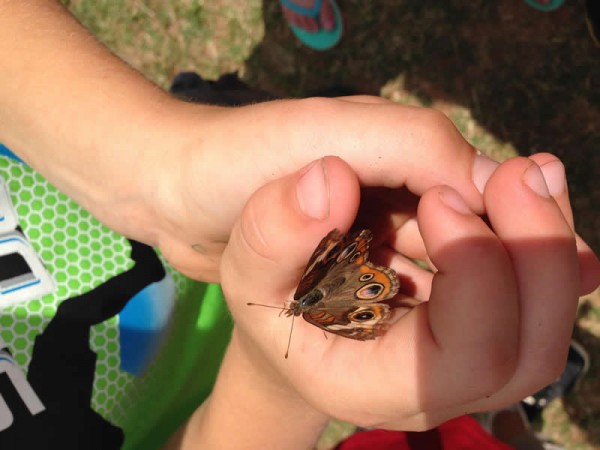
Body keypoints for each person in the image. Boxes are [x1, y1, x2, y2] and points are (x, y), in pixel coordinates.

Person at [1, 2, 599, 450]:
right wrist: (274, 384)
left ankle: (233, 104)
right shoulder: (302, 313)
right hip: (211, 367)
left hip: (183, 186)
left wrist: (161, 166)